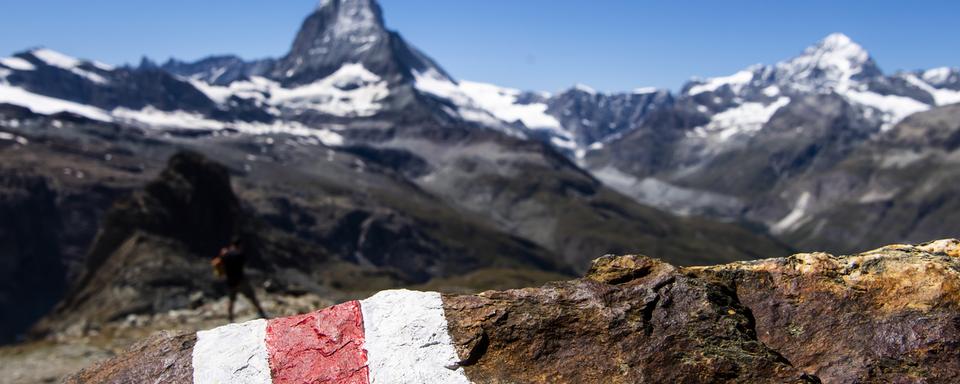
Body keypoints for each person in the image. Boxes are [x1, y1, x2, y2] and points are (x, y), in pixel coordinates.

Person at [213, 237, 267, 322]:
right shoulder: (240, 254)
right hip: (241, 281)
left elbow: (217, 262)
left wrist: (223, 254)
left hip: (231, 282)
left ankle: (230, 318)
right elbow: (243, 261)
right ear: (239, 245)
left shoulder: (226, 254)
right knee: (252, 297)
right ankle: (261, 312)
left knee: (231, 300)